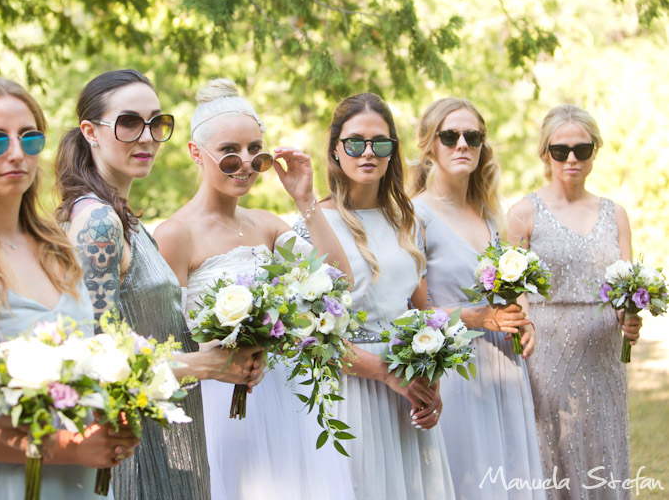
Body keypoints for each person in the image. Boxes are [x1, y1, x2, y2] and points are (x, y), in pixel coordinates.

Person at [55, 69, 265, 500]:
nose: (147, 136)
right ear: (90, 132)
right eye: (129, 122)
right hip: (132, 452)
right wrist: (204, 366)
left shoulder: (124, 217)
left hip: (167, 433)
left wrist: (222, 351)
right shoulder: (97, 223)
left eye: (156, 122)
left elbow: (146, 335)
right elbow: (95, 359)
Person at [154, 78, 355, 500]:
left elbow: (339, 282)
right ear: (196, 152)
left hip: (284, 400)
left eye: (255, 151)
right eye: (229, 152)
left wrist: (305, 201)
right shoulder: (175, 235)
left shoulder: (265, 225)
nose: (245, 163)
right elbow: (165, 346)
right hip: (218, 409)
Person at [0, 78, 140, 500]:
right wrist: (64, 448)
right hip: (2, 482)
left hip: (82, 484)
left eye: (29, 138)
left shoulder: (60, 249)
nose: (16, 153)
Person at [294, 92, 453, 500]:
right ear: (334, 149)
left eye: (380, 143)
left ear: (392, 151)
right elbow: (311, 337)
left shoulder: (409, 220)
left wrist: (430, 377)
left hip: (407, 388)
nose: (368, 152)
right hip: (350, 388)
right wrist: (384, 371)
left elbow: (424, 311)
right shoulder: (307, 225)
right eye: (355, 142)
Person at [409, 97, 545, 499]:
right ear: (430, 144)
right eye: (450, 136)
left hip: (504, 366)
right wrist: (476, 318)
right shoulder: (416, 216)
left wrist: (524, 321)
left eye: (473, 136)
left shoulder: (490, 214)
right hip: (455, 370)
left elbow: (507, 297)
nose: (462, 144)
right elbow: (411, 312)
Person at [507, 104, 642, 500]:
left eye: (582, 150)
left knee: (602, 445)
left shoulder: (615, 214)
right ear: (544, 152)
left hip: (603, 357)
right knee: (552, 449)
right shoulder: (523, 213)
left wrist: (630, 320)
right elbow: (512, 293)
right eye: (560, 149)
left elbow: (625, 291)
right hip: (546, 354)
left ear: (594, 152)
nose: (571, 159)